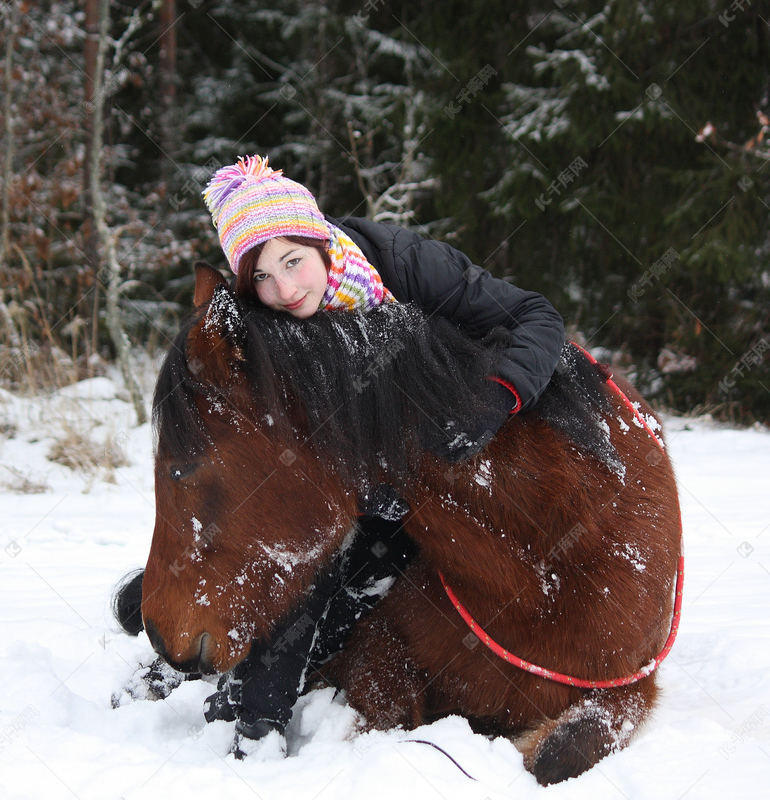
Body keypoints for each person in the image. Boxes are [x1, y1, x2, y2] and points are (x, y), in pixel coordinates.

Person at [118, 155, 565, 757]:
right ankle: (235, 691)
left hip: (443, 446)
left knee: (362, 562)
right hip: (352, 470)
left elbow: (537, 316)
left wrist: (495, 399)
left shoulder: (404, 263)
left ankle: (256, 718)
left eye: (293, 261)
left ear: (319, 240)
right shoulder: (261, 313)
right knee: (312, 553)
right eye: (262, 278)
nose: (285, 290)